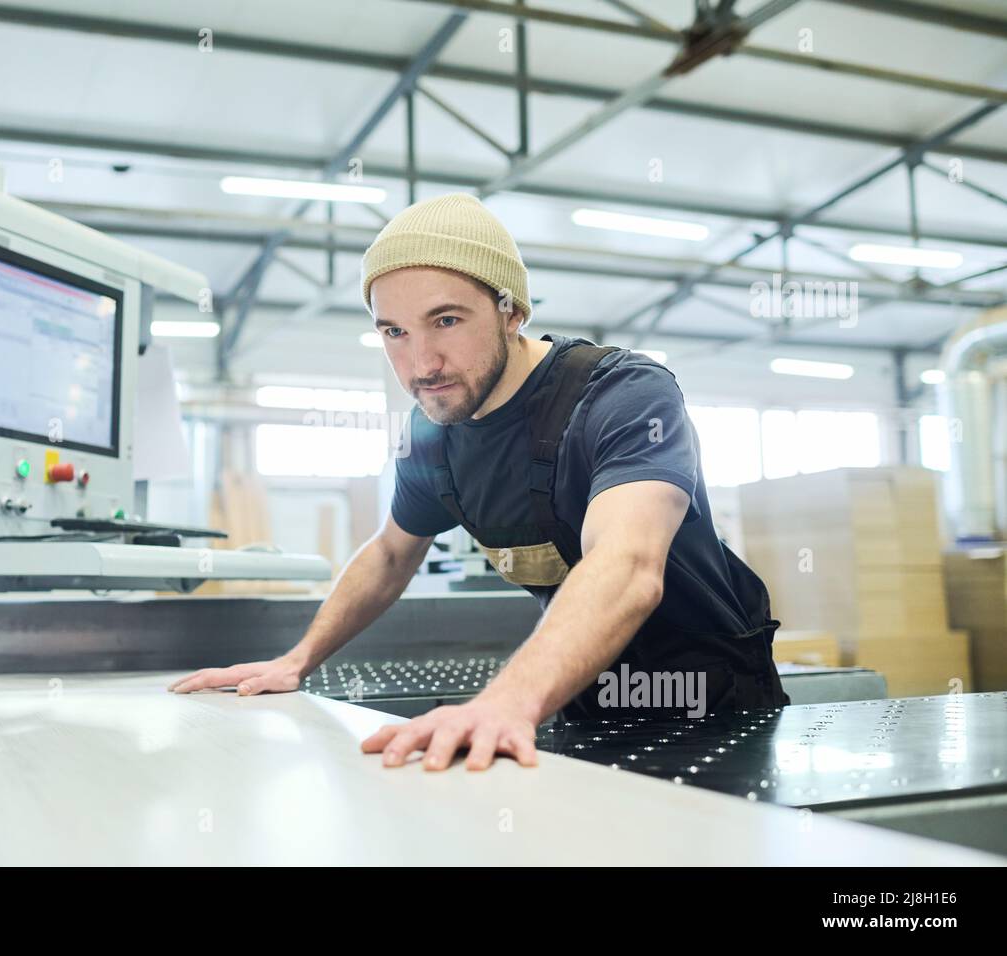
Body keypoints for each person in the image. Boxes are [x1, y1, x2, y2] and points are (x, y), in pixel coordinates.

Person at [170, 192, 787, 771]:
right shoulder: (433, 436)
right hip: (574, 696)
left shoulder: (624, 396)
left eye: (446, 320)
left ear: (511, 310)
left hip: (714, 707)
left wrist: (506, 700)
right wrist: (297, 660)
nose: (420, 364)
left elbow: (627, 565)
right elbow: (389, 554)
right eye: (395, 331)